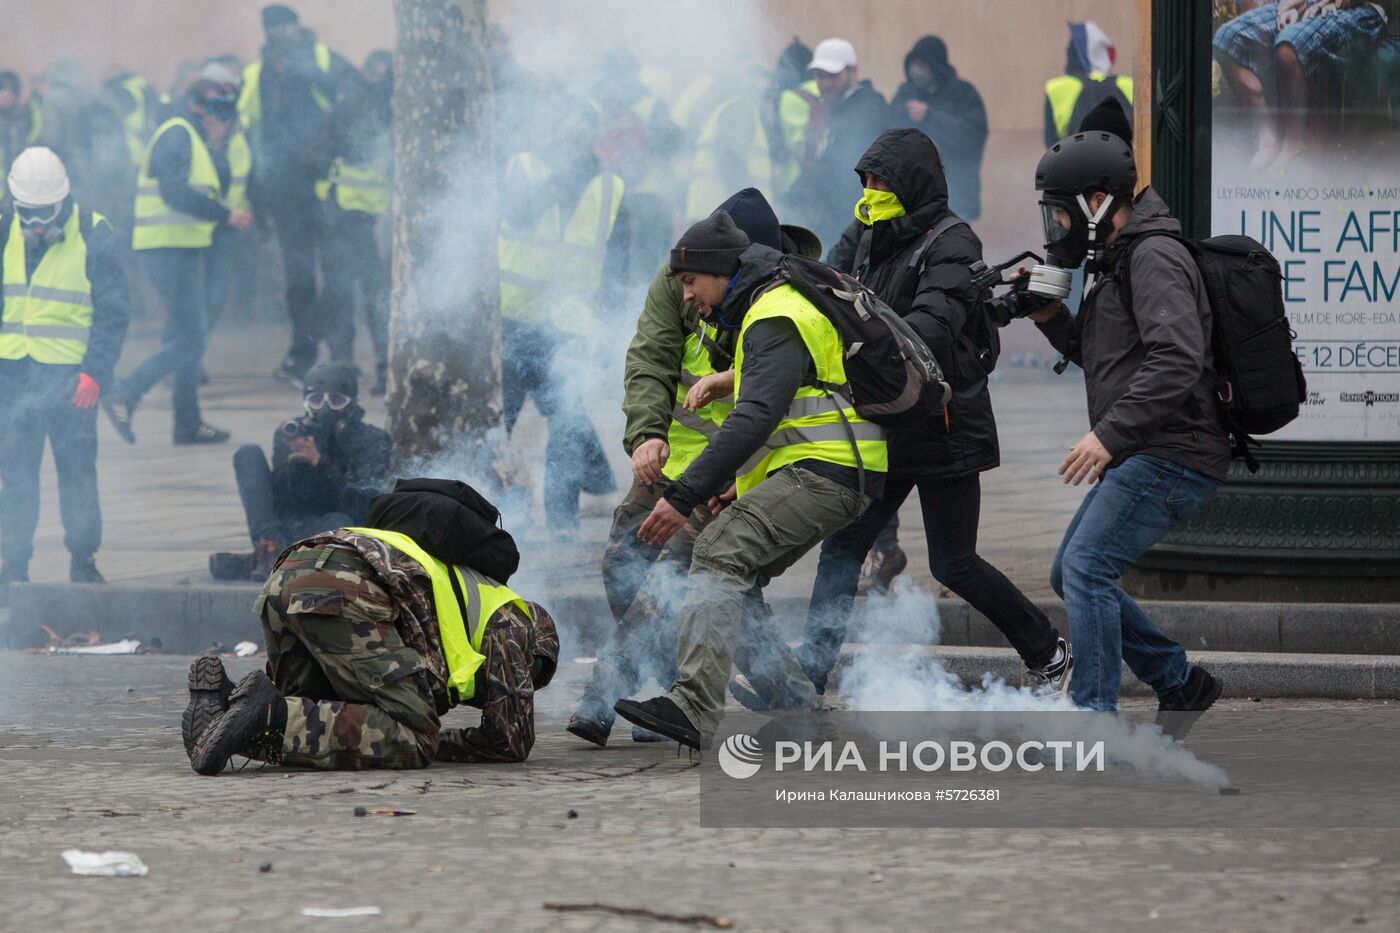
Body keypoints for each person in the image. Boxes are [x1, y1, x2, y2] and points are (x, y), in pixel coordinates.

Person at [790, 129, 1069, 701]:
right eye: (865, 181)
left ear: (912, 184)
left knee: (954, 563)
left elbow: (932, 327)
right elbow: (822, 287)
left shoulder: (952, 241)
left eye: (881, 182)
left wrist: (860, 347)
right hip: (887, 421)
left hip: (945, 425)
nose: (870, 191)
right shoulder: (868, 232)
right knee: (844, 547)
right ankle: (805, 679)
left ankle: (1049, 653)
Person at [612, 211, 887, 749]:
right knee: (737, 579)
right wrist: (740, 483)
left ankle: (692, 705)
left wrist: (684, 494)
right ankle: (798, 708)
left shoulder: (773, 311)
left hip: (830, 469)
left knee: (715, 551)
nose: (688, 296)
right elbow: (784, 410)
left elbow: (755, 417)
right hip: (823, 465)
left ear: (719, 271)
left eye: (691, 282)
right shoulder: (765, 306)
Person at [572, 188, 823, 746]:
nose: (693, 292)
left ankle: (605, 696)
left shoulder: (783, 293)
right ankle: (696, 694)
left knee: (678, 578)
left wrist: (738, 477)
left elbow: (774, 398)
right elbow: (650, 357)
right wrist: (646, 436)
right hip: (680, 466)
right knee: (627, 562)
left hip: (743, 472)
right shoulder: (682, 279)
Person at [1024, 131, 1227, 713]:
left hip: (1173, 449)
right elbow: (1113, 360)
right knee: (1072, 571)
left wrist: (1107, 436)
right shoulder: (1117, 260)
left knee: (1087, 567)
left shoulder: (1153, 256)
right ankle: (1178, 681)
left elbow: (1178, 358)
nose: (1056, 228)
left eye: (1060, 214)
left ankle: (1093, 722)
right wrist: (1050, 318)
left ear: (1095, 203)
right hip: (1151, 444)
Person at [185, 479, 561, 773]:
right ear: (537, 652)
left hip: (291, 570)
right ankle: (265, 716)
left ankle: (223, 710)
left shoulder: (458, 577)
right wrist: (437, 734)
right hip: (349, 587)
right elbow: (509, 743)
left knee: (321, 711)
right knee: (414, 738)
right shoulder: (514, 620)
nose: (522, 684)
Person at [0, 147, 130, 604]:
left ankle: (82, 560)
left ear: (64, 202)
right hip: (14, 375)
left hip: (73, 380)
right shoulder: (3, 230)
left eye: (45, 215)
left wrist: (95, 372)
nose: (37, 226)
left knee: (77, 474)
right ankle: (12, 566)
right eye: (28, 215)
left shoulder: (92, 233)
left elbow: (113, 313)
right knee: (15, 477)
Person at [498, 99, 622, 533]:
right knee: (499, 418)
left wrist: (608, 329)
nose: (567, 140)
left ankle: (562, 525)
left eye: (578, 131)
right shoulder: (524, 167)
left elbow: (616, 266)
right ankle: (489, 513)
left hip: (568, 327)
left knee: (567, 423)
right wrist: (557, 179)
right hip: (511, 321)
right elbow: (514, 213)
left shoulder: (608, 187)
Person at [105, 80, 252, 445]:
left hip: (181, 249)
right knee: (191, 339)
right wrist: (225, 215)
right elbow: (175, 192)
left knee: (185, 335)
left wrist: (217, 143)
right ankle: (127, 391)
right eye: (214, 108)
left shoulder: (197, 139)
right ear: (193, 106)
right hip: (165, 248)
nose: (220, 117)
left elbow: (212, 183)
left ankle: (187, 422)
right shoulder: (176, 133)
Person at [238, 3, 355, 382]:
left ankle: (341, 351)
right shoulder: (256, 74)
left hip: (329, 188)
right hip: (285, 192)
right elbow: (247, 134)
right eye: (274, 32)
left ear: (298, 28)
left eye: (287, 29)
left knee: (339, 273)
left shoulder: (325, 60)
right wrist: (256, 192)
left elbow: (354, 107)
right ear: (267, 35)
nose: (282, 37)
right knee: (299, 281)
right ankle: (303, 354)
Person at [209, 362, 390, 581]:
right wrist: (292, 461)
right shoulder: (293, 433)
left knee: (339, 521)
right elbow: (282, 496)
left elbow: (359, 504)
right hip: (287, 525)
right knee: (248, 454)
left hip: (331, 524)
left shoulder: (371, 439)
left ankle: (270, 558)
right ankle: (270, 545)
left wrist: (319, 462)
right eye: (316, 401)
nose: (325, 409)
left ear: (351, 404)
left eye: (336, 401)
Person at [1213, 0, 1392, 169]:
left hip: (1360, 6)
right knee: (1226, 38)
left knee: (1288, 46)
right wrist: (1291, 5)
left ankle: (1295, 143)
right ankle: (1268, 139)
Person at [315, 53, 392, 394]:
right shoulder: (359, 106)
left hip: (359, 219)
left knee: (355, 297)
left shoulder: (366, 105)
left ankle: (359, 369)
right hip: (347, 219)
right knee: (355, 297)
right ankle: (355, 369)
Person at [786, 38, 888, 252]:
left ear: (853, 72)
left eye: (833, 76)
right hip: (831, 221)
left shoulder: (867, 108)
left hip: (850, 222)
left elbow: (847, 175)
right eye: (820, 76)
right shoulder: (836, 109)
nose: (825, 83)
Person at [889, 36, 988, 221]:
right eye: (914, 64)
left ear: (936, 66)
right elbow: (888, 133)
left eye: (922, 64)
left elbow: (972, 136)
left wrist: (930, 116)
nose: (916, 70)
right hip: (911, 199)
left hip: (956, 199)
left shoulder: (963, 93)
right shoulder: (905, 93)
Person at [1043, 22, 1135, 149]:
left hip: (1071, 160)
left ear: (1075, 53)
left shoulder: (1056, 87)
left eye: (1071, 45)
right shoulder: (1129, 84)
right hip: (1121, 161)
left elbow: (1050, 141)